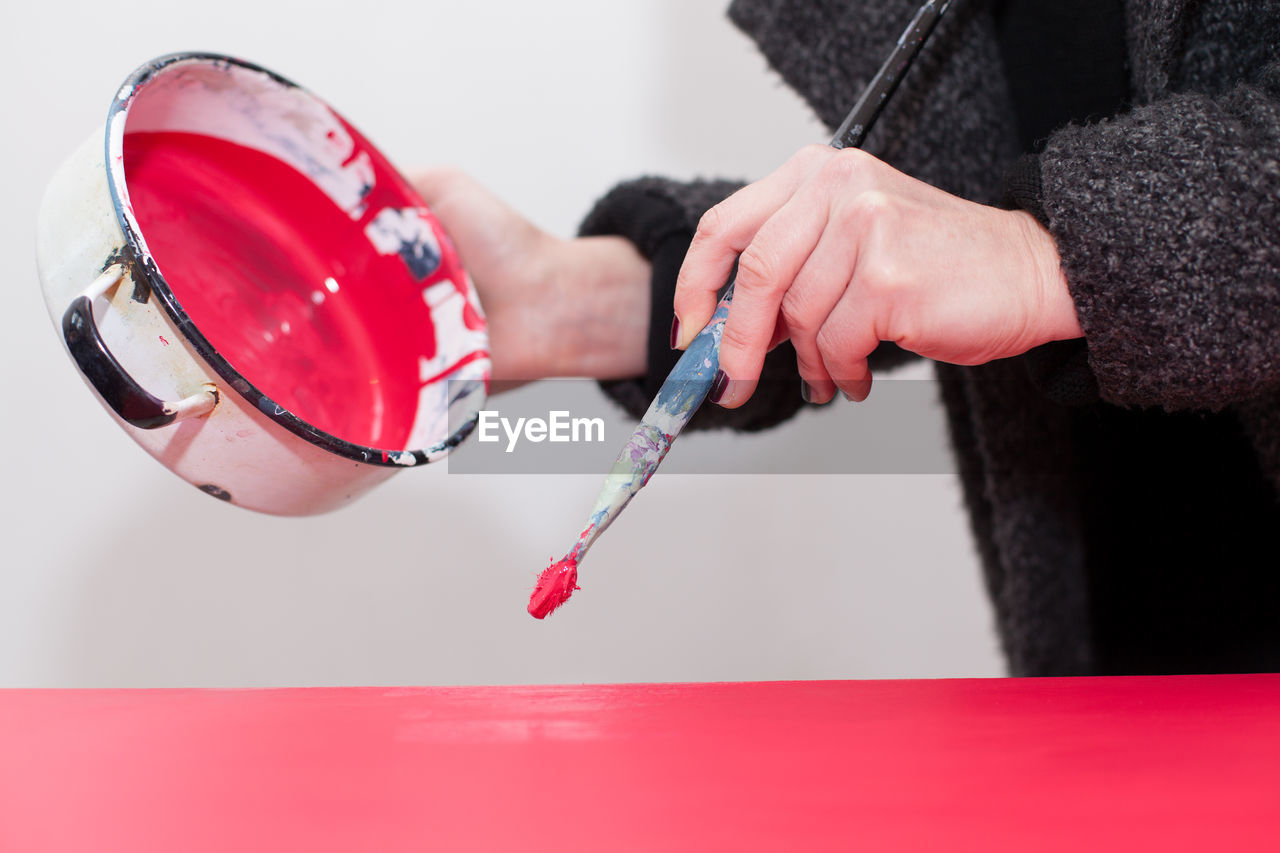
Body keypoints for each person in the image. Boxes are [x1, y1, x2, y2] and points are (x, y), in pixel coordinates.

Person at [414, 0, 1280, 676]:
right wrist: (574, 304)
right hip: (1139, 698)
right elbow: (939, 243)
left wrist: (1049, 252)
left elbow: (1009, 253)